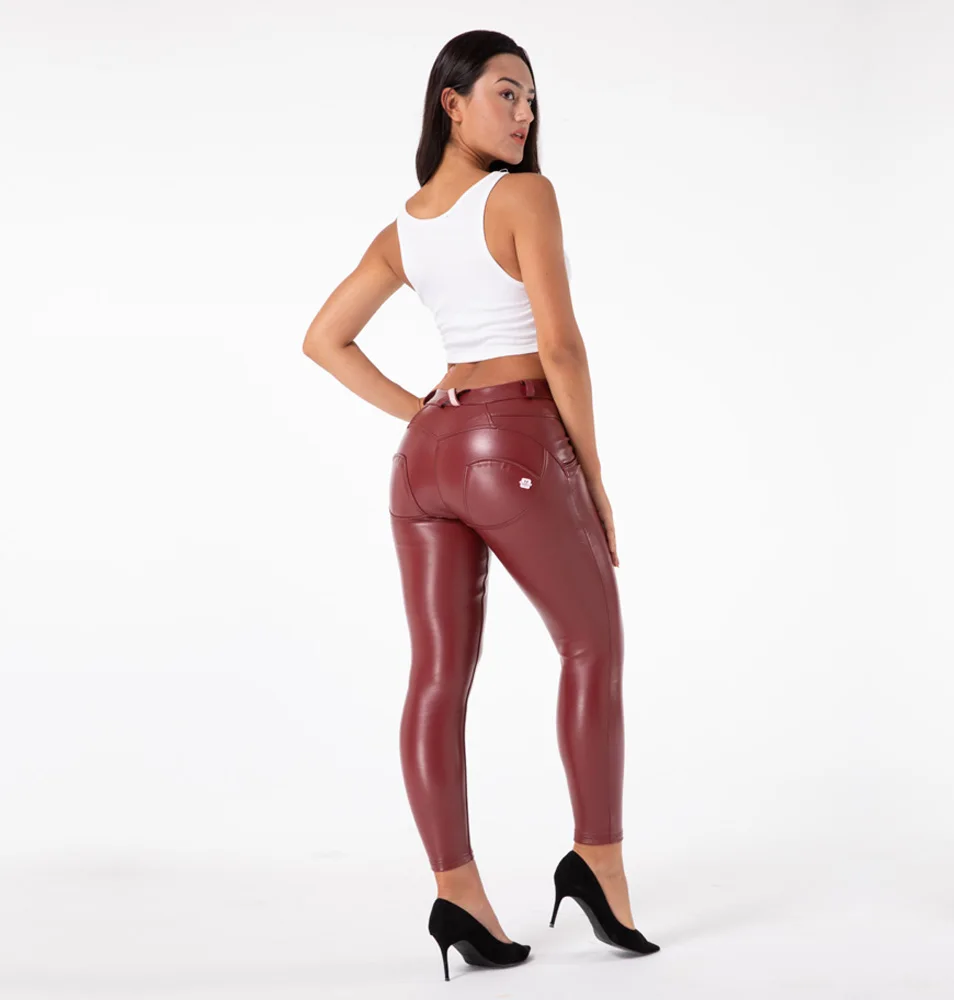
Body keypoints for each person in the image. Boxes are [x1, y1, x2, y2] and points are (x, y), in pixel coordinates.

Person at [302, 29, 659, 980]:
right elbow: (562, 347)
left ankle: (456, 893)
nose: (525, 113)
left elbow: (324, 339)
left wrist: (422, 416)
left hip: (425, 462)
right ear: (451, 102)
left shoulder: (406, 229)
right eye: (507, 92)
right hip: (516, 446)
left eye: (533, 99)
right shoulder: (523, 196)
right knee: (592, 647)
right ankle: (599, 865)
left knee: (437, 677)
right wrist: (593, 477)